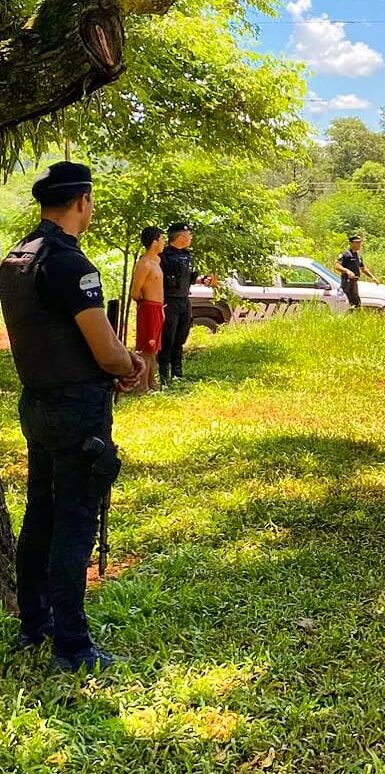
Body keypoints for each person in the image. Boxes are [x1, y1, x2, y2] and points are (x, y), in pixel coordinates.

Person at [0, 161, 144, 672]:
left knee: (39, 516)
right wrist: (132, 364)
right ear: (82, 201)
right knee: (74, 524)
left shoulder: (18, 258)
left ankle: (34, 624)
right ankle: (73, 646)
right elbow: (106, 352)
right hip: (77, 410)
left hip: (37, 404)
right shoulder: (67, 263)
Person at [159, 222, 197, 383]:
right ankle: (163, 374)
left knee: (181, 336)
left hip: (184, 299)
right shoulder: (163, 257)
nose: (191, 238)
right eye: (188, 235)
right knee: (168, 337)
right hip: (169, 300)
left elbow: (188, 279)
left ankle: (177, 372)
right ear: (180, 237)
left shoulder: (188, 256)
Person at [129, 226, 165, 391]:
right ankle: (141, 386)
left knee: (154, 348)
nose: (164, 242)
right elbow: (135, 292)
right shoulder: (144, 264)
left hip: (158, 307)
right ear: (154, 241)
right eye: (162, 239)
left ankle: (152, 382)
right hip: (148, 308)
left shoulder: (157, 261)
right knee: (146, 348)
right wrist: (146, 305)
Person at [335, 235, 378, 310]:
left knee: (356, 302)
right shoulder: (346, 254)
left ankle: (355, 315)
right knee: (347, 301)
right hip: (346, 282)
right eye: (357, 242)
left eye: (360, 242)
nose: (359, 244)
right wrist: (347, 271)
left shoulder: (358, 255)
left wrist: (372, 277)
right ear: (351, 243)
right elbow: (337, 266)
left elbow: (363, 268)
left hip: (354, 282)